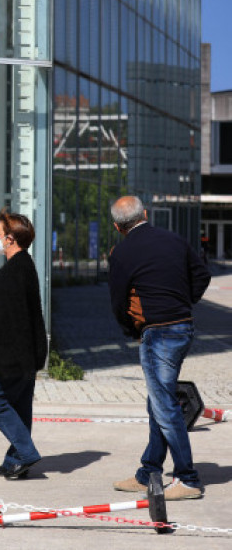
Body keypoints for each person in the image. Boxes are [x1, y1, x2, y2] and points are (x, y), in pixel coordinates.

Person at [108, 196, 211, 501]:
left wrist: (131, 329)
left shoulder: (121, 252)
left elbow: (117, 301)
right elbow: (202, 274)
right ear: (146, 215)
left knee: (164, 406)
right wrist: (183, 302)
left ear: (117, 226)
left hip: (157, 333)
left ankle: (188, 478)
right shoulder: (174, 240)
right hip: (183, 328)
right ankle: (148, 472)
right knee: (159, 400)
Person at [0, 209, 48, 480]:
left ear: (9, 239)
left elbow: (10, 319)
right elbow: (13, 306)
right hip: (25, 353)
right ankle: (15, 461)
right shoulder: (23, 266)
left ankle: (26, 452)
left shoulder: (16, 269)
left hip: (10, 354)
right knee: (19, 406)